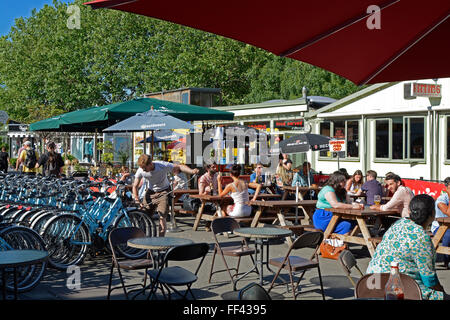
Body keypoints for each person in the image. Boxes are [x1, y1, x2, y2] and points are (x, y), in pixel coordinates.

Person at [366, 194, 448, 300]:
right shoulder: (421, 237)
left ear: (409, 211)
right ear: (433, 214)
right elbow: (429, 279)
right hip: (400, 290)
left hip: (371, 284)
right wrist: (443, 293)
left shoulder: (399, 223)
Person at [132, 154, 199, 236]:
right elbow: (135, 186)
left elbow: (179, 167)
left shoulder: (161, 165)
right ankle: (143, 240)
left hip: (164, 192)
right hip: (150, 192)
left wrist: (192, 171)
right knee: (144, 216)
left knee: (162, 217)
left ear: (150, 164)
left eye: (144, 168)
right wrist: (136, 199)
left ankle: (160, 243)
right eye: (142, 168)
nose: (143, 169)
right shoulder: (141, 170)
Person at [432, 177, 450, 269]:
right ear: (446, 188)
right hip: (439, 227)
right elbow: (449, 213)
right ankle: (445, 259)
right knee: (448, 234)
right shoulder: (441, 199)